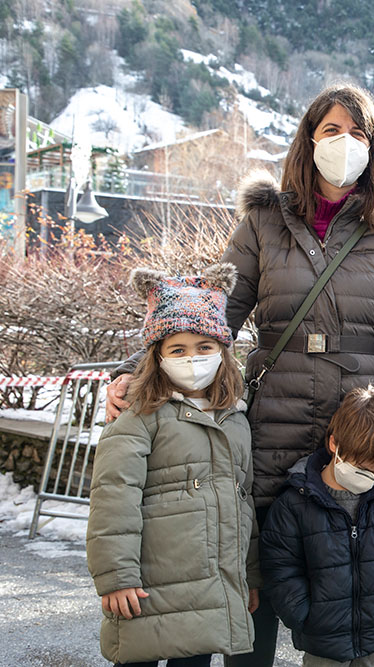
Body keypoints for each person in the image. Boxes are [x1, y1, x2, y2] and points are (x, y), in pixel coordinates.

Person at [105, 84, 374, 665]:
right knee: (252, 589)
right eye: (331, 130)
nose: (344, 143)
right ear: (308, 140)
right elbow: (212, 313)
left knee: (346, 601)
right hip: (272, 431)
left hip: (356, 438)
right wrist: (135, 375)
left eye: (358, 133)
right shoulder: (264, 221)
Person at [86, 264, 259, 667]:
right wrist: (116, 577)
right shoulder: (138, 415)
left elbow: (242, 504)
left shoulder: (234, 418)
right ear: (157, 356)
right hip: (144, 590)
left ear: (222, 351)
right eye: (177, 350)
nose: (192, 358)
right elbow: (113, 499)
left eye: (204, 347)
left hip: (205, 593)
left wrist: (248, 575)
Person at [259, 386, 374, 667]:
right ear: (334, 444)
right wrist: (301, 614)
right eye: (361, 466)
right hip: (323, 639)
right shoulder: (294, 502)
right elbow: (280, 565)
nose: (369, 476)